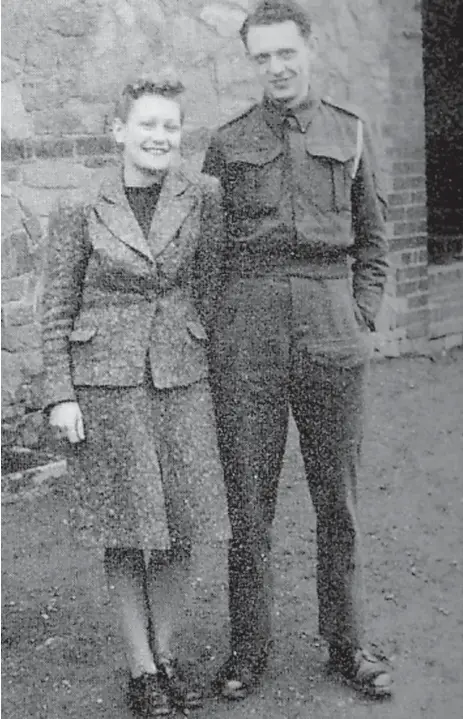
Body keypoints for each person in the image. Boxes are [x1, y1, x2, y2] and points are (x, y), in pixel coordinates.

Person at [202, 0, 392, 701]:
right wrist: (221, 330)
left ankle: (347, 641)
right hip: (247, 330)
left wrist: (357, 312)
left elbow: (373, 242)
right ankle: (247, 647)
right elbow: (210, 250)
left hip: (328, 320)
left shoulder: (350, 130)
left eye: (286, 53)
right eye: (261, 56)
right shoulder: (226, 142)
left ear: (308, 51)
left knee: (334, 499)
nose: (275, 67)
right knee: (247, 502)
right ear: (249, 61)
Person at [42, 72, 230, 717]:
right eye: (147, 125)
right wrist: (60, 394)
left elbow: (212, 284)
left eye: (170, 126)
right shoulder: (79, 206)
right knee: (126, 529)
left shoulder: (203, 196)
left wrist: (199, 341)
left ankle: (168, 656)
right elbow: (55, 308)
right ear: (118, 131)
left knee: (185, 524)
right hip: (106, 385)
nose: (159, 136)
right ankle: (141, 670)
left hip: (183, 376)